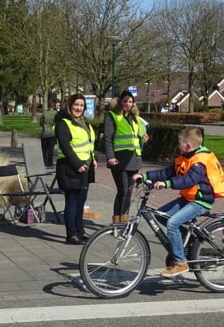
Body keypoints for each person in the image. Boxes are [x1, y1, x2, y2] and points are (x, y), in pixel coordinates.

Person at [133, 126, 224, 277]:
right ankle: (189, 243)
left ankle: (180, 262)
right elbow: (166, 172)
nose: (177, 146)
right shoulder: (185, 158)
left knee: (172, 223)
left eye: (179, 144)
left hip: (200, 201)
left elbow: (189, 180)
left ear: (187, 146)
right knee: (161, 215)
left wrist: (166, 184)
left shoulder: (199, 161)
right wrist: (145, 176)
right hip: (188, 198)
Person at [55, 93, 97, 245]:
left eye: (81, 105)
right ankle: (71, 234)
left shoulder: (83, 122)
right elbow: (65, 146)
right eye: (76, 105)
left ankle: (80, 230)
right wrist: (77, 164)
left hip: (85, 166)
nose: (79, 108)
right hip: (70, 166)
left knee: (81, 200)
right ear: (70, 105)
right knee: (72, 200)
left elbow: (88, 143)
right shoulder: (63, 123)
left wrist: (93, 159)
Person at [102, 90, 149, 223]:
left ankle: (124, 220)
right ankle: (116, 221)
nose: (127, 104)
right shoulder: (112, 116)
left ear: (133, 103)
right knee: (122, 190)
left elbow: (139, 135)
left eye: (130, 101)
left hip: (134, 158)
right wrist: (110, 157)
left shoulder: (135, 118)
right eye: (125, 101)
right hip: (118, 158)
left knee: (128, 192)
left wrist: (144, 137)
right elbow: (108, 139)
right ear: (120, 102)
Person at [39, 100, 60, 168]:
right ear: (53, 106)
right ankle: (50, 163)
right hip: (52, 133)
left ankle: (44, 162)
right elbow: (57, 122)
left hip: (44, 133)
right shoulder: (55, 113)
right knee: (51, 149)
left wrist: (44, 126)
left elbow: (41, 122)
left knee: (44, 149)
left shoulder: (44, 113)